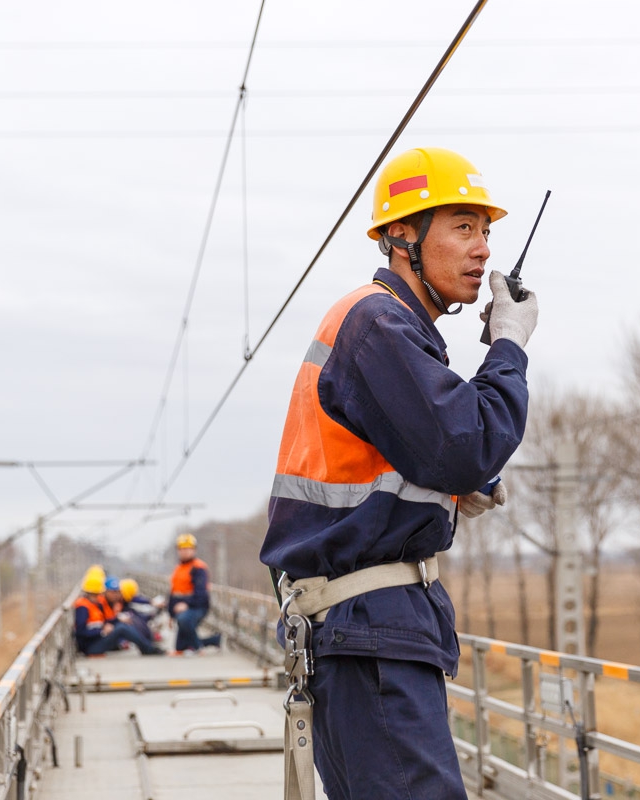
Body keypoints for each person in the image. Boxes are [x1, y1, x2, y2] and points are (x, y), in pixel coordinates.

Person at [260, 146, 537, 799]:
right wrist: (509, 347)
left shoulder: (389, 329)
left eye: (487, 231)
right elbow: (463, 445)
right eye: (463, 228)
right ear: (402, 236)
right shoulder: (377, 323)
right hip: (370, 630)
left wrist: (456, 486)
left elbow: (428, 456)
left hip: (363, 627)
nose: (483, 251)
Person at [72, 568, 164, 656]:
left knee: (123, 625)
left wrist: (118, 619)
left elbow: (104, 621)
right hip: (90, 647)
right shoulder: (83, 607)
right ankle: (148, 649)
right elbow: (80, 632)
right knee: (122, 628)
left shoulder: (95, 604)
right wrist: (102, 632)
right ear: (89, 594)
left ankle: (147, 646)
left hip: (97, 640)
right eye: (97, 595)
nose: (99, 597)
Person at [168, 533, 221, 653]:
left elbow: (201, 593)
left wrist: (186, 604)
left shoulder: (198, 568)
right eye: (181, 549)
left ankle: (198, 647)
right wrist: (171, 613)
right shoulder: (178, 569)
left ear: (194, 550)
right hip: (181, 609)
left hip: (197, 607)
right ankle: (214, 640)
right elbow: (172, 592)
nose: (184, 552)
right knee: (180, 647)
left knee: (184, 620)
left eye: (187, 549)